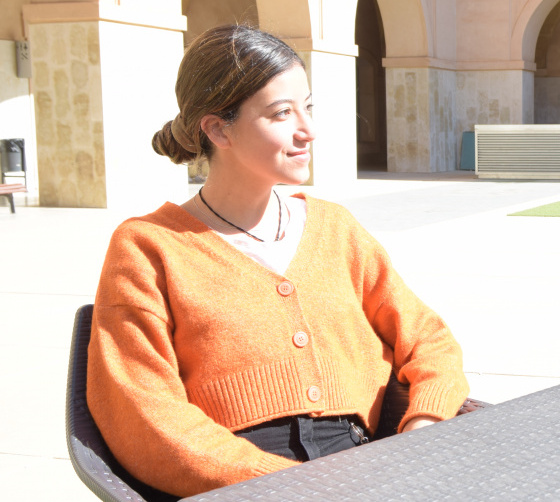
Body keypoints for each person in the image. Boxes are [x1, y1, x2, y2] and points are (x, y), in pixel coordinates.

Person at [87, 25, 470, 497]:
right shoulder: (149, 247)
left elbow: (429, 339)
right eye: (281, 113)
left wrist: (423, 427)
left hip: (365, 467)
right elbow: (142, 414)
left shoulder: (336, 229)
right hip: (237, 482)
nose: (307, 131)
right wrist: (284, 487)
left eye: (307, 108)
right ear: (217, 128)